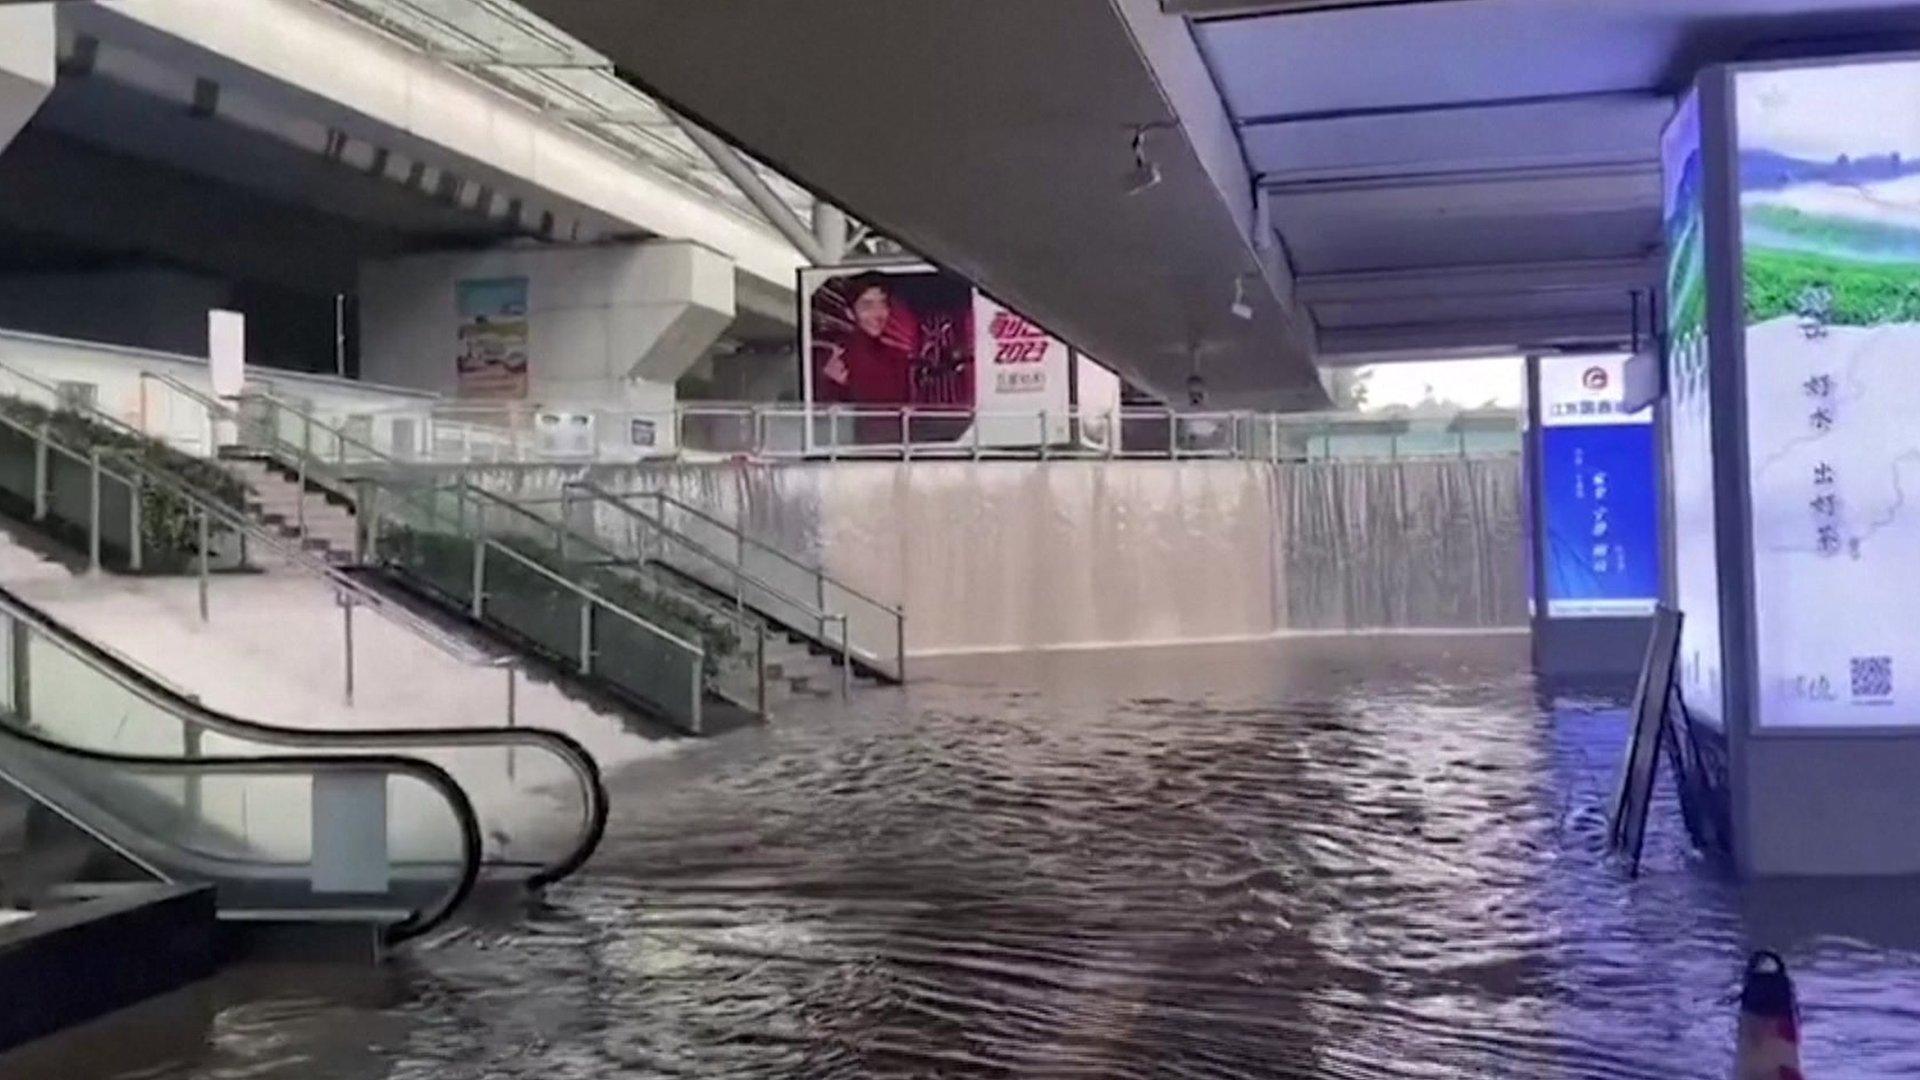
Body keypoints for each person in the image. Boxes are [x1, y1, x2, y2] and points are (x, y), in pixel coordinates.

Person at [817, 274, 913, 407]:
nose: (878, 313)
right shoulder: (836, 358)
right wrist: (832, 384)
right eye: (867, 305)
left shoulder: (898, 358)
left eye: (883, 303)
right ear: (850, 313)